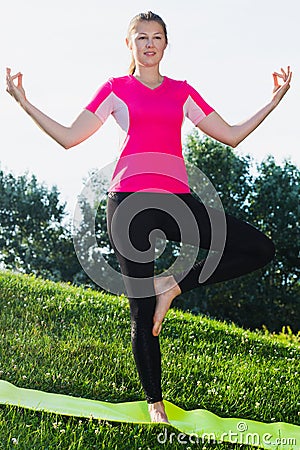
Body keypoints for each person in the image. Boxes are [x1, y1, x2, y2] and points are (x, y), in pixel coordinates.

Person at [6, 11, 292, 424]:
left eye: (157, 37)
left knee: (258, 248)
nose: (150, 44)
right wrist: (24, 101)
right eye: (141, 37)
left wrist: (273, 100)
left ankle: (172, 286)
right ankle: (155, 405)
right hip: (128, 205)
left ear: (165, 44)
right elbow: (69, 138)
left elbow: (231, 135)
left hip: (177, 201)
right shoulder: (116, 89)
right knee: (141, 312)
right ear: (129, 45)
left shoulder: (181, 92)